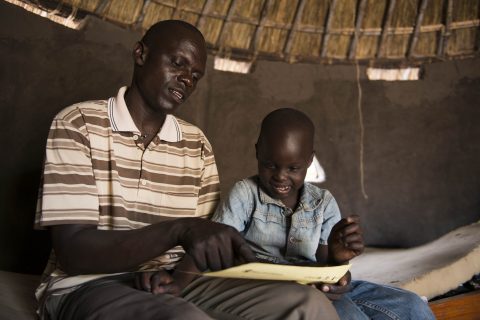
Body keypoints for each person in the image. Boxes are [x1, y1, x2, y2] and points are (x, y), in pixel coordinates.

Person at [35, 20, 340, 319]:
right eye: (178, 63)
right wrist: (178, 230)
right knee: (180, 316)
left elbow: (205, 247)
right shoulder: (78, 124)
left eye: (195, 75)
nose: (187, 80)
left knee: (308, 304)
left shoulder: (196, 144)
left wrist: (314, 272)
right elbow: (73, 252)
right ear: (141, 54)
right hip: (89, 284)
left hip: (177, 281)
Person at [211, 108, 436, 320]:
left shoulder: (322, 202)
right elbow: (218, 251)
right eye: (270, 165)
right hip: (270, 290)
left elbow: (326, 266)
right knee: (346, 314)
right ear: (258, 151)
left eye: (293, 168)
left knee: (411, 306)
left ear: (309, 161)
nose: (280, 176)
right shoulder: (244, 195)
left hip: (317, 283)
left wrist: (338, 261)